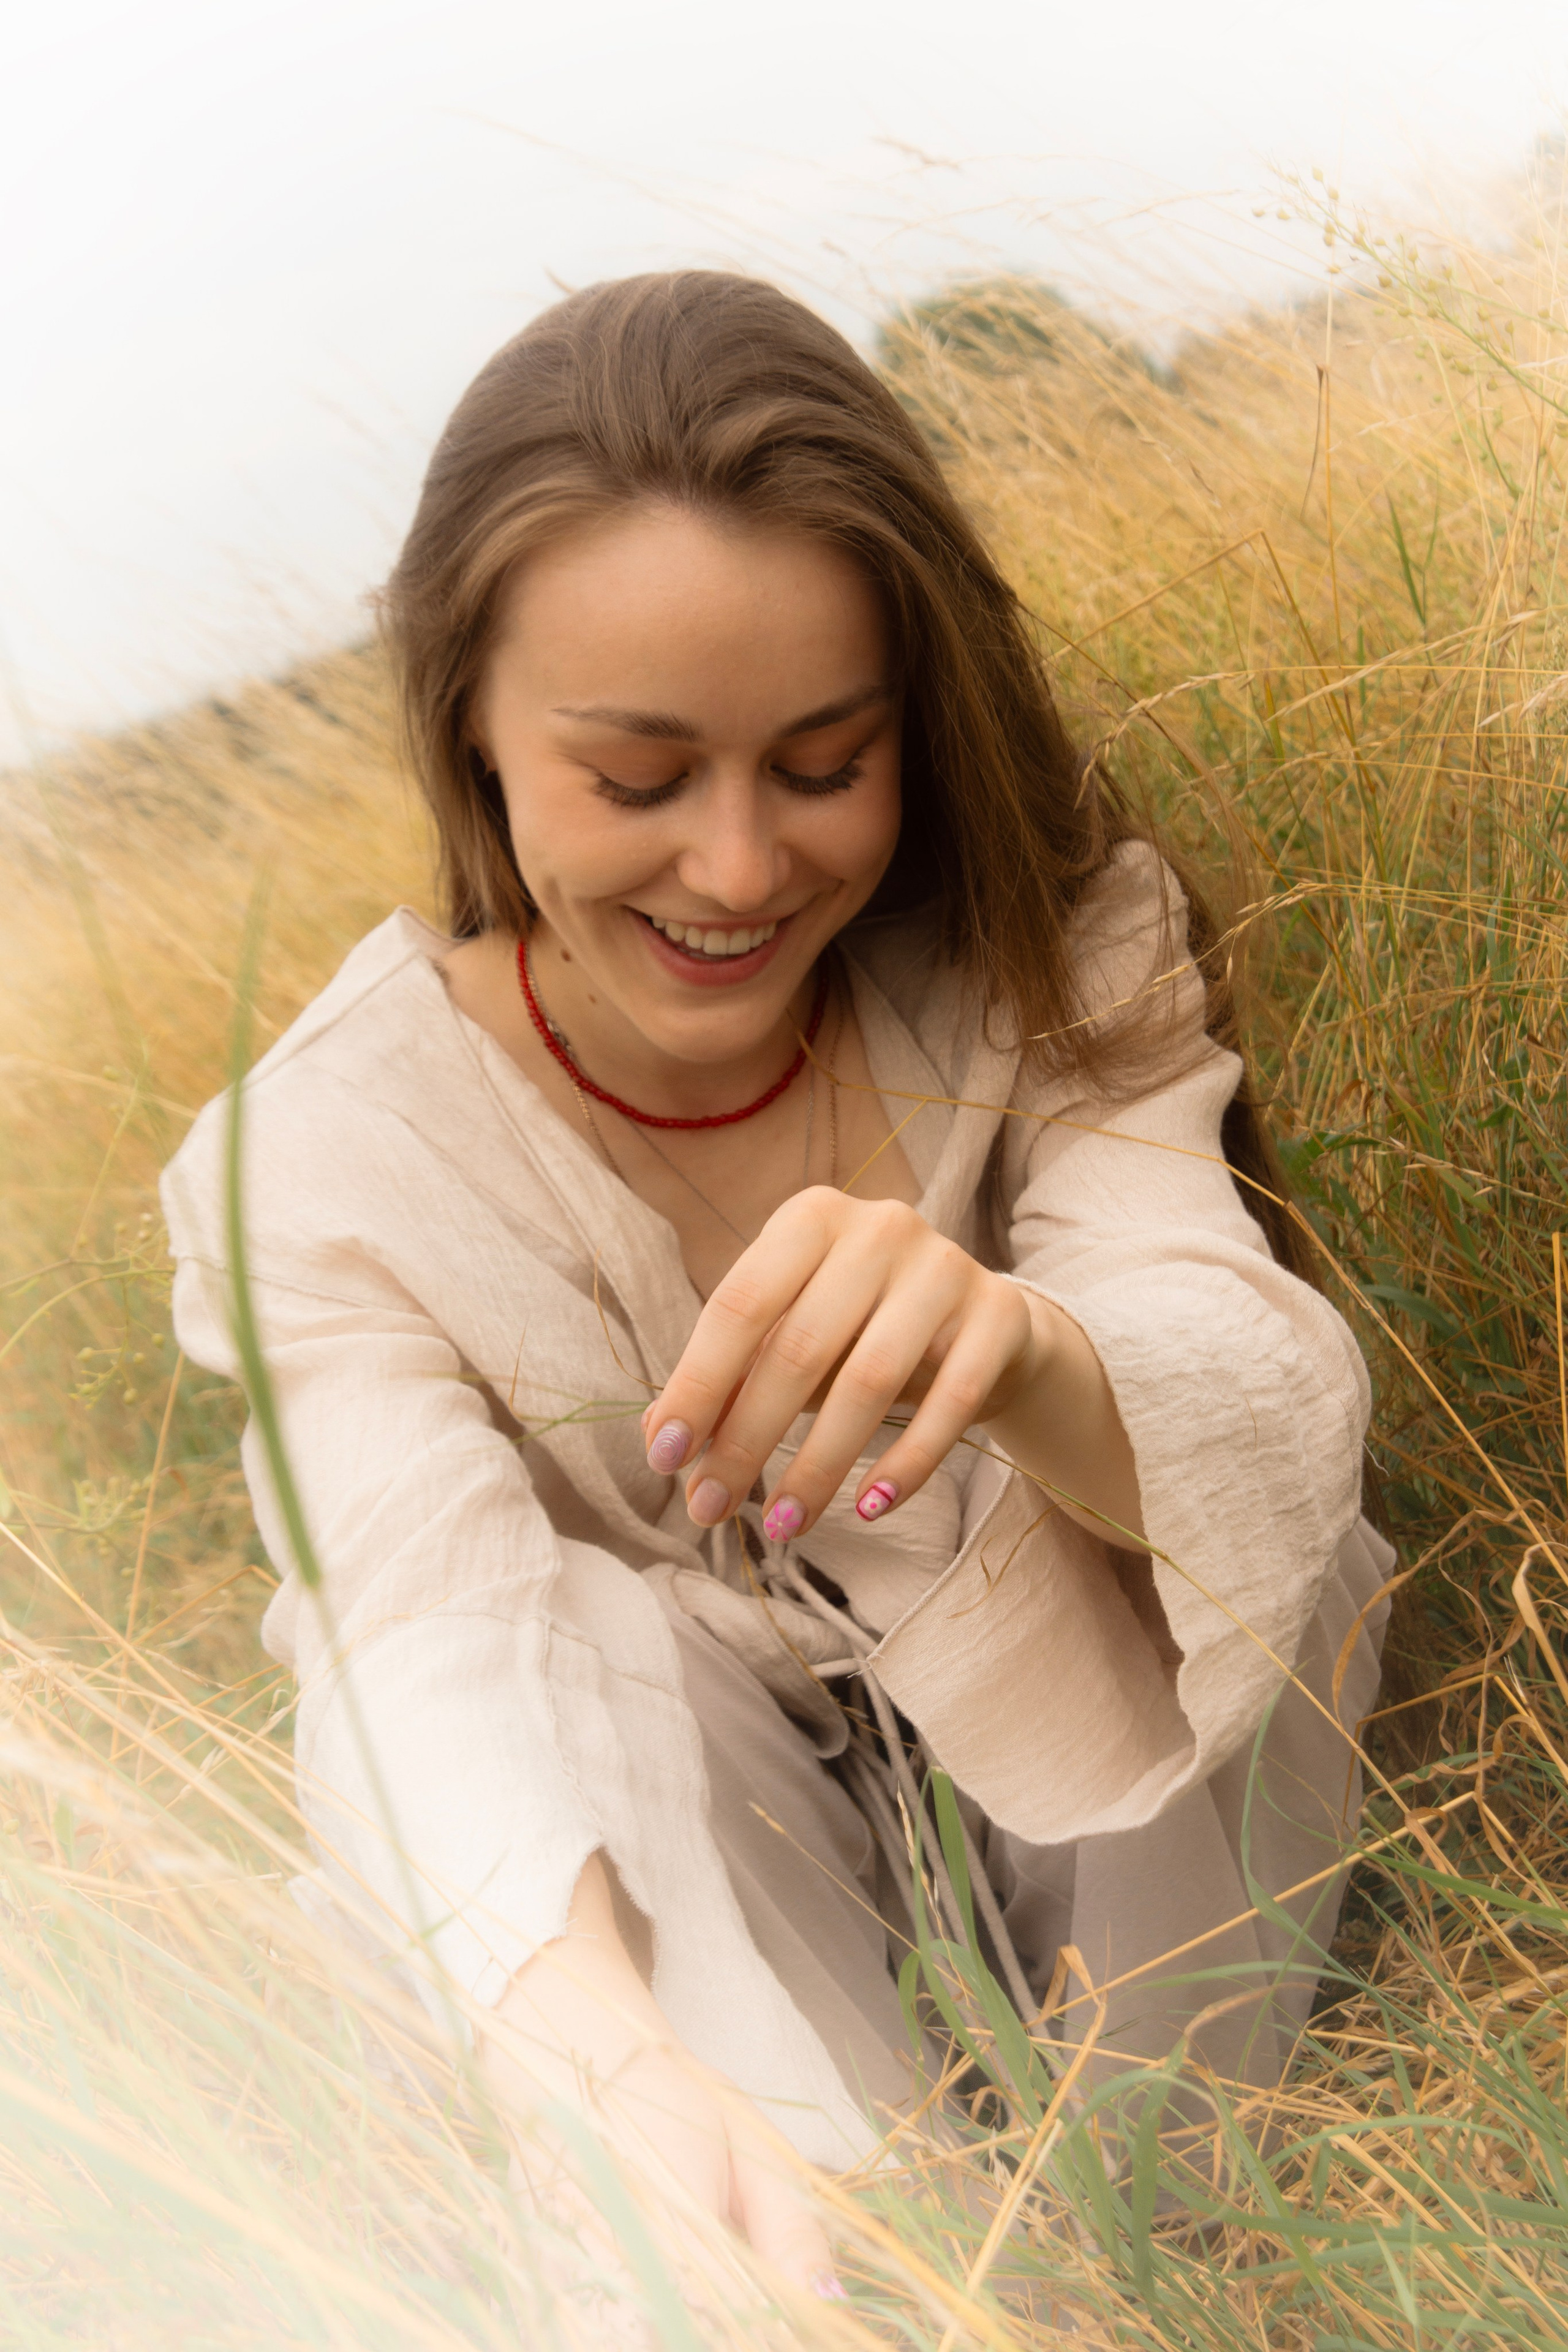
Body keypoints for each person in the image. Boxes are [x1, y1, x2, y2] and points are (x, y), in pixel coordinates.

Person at [161, 271, 1392, 2301]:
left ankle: (1139, 2246)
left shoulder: (1053, 947)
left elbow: (1236, 1362)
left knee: (1260, 1496)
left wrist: (1020, 1354)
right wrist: (597, 2052)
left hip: (1119, 1833)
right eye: (637, 782)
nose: (736, 872)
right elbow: (414, 1623)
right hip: (698, 1889)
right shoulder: (319, 1158)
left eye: (824, 765)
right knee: (570, 1631)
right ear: (469, 718)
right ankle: (821, 2268)